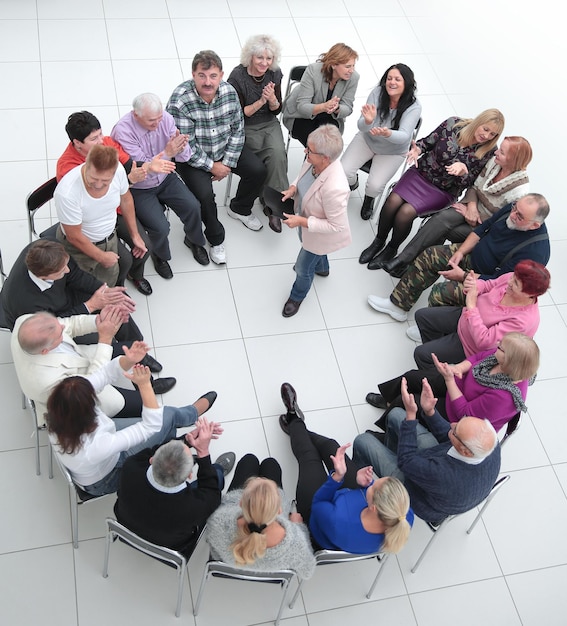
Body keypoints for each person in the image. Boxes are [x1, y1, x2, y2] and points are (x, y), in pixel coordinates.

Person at [46, 349, 217, 496]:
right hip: (107, 474)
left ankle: (175, 447)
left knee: (165, 421)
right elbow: (150, 426)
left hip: (101, 448)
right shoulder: (95, 446)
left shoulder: (62, 408)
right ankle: (190, 417)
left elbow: (104, 374)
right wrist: (144, 385)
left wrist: (129, 359)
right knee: (167, 416)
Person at [367, 193, 550, 322]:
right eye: (514, 208)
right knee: (431, 256)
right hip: (473, 256)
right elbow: (481, 230)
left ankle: (431, 326)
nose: (512, 215)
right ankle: (399, 304)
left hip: (487, 283)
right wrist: (461, 252)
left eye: (519, 216)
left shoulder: (534, 253)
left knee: (442, 292)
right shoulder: (512, 210)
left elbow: (500, 283)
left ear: (534, 225)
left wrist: (463, 276)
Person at [360, 109, 505, 269]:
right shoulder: (453, 123)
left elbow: (470, 184)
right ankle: (379, 240)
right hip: (420, 173)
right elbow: (427, 142)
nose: (486, 136)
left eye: (493, 134)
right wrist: (417, 150)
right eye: (485, 129)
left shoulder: (489, 151)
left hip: (443, 190)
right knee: (392, 201)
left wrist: (463, 171)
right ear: (479, 121)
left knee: (406, 212)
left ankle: (391, 248)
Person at [279, 383, 413, 554]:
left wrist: (336, 478)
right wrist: (365, 484)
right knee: (332, 446)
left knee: (309, 456)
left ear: (372, 507)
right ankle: (298, 429)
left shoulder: (337, 521)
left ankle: (294, 420)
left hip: (317, 516)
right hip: (347, 499)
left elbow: (319, 502)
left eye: (373, 486)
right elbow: (371, 493)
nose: (372, 482)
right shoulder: (403, 514)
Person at [166, 50, 267, 264]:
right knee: (204, 196)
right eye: (202, 75)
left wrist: (227, 164)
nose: (208, 82)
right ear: (193, 74)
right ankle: (216, 237)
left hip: (224, 148)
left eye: (213, 76)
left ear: (221, 75)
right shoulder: (180, 100)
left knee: (258, 171)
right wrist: (213, 167)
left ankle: (240, 208)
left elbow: (238, 130)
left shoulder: (229, 92)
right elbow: (186, 147)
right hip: (194, 158)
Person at [353, 378, 501, 523]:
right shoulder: (489, 441)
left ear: (465, 451)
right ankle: (391, 449)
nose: (453, 424)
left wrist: (411, 416)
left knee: (362, 441)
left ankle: (355, 486)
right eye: (461, 421)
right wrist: (430, 411)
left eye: (456, 430)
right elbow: (450, 439)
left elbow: (406, 462)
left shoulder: (443, 475)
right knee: (395, 414)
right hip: (444, 473)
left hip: (420, 494)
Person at [383, 136, 533, 277]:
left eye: (502, 152)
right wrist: (472, 207)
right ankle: (404, 260)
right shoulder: (495, 162)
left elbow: (502, 223)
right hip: (470, 207)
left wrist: (477, 218)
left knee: (444, 230)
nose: (495, 152)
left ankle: (409, 263)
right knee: (441, 218)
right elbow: (474, 187)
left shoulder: (519, 192)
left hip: (485, 226)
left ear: (513, 160)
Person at [57, 110, 162, 295]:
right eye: (93, 139)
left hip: (113, 213)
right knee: (120, 261)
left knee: (144, 246)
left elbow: (126, 192)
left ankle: (129, 278)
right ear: (77, 144)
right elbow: (74, 233)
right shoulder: (68, 176)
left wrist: (134, 234)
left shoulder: (109, 155)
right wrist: (102, 256)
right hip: (89, 225)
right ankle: (112, 290)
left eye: (100, 135)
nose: (101, 141)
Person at [11, 310, 175, 426]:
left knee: (130, 348)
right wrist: (105, 339)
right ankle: (145, 390)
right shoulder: (46, 381)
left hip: (80, 359)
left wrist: (98, 321)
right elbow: (87, 387)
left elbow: (69, 324)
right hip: (84, 397)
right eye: (60, 334)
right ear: (45, 351)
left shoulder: (24, 322)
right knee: (145, 403)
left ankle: (145, 383)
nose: (62, 328)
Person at [370, 332, 540, 440]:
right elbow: (477, 358)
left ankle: (387, 435)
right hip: (458, 383)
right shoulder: (501, 357)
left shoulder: (505, 397)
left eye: (501, 348)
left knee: (405, 402)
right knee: (412, 377)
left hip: (457, 417)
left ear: (511, 362)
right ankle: (386, 399)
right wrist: (457, 368)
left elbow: (464, 415)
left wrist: (449, 380)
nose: (497, 346)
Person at [111, 93, 209, 276]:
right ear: (135, 115)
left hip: (166, 177)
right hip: (140, 187)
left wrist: (181, 147)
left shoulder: (166, 119)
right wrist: (168, 151)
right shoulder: (122, 131)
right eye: (151, 121)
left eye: (159, 119)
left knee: (193, 206)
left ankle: (194, 240)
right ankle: (160, 255)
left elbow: (184, 157)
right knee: (160, 227)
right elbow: (142, 167)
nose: (157, 124)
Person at [114, 419, 235, 557]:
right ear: (190, 475)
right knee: (216, 477)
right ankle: (217, 468)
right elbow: (212, 494)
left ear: (152, 460)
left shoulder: (131, 468)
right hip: (171, 545)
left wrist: (185, 441)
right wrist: (203, 453)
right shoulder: (192, 507)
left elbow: (153, 450)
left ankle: (194, 463)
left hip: (127, 524)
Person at [0, 239, 148, 345]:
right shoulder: (26, 305)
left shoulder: (47, 249)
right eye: (61, 270)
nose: (67, 270)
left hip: (64, 297)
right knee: (97, 339)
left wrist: (105, 291)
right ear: (44, 276)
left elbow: (76, 275)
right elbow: (54, 325)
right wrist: (91, 305)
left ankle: (137, 349)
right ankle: (121, 358)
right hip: (48, 325)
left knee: (114, 306)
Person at [412, 259, 550, 370]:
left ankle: (437, 379)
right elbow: (490, 284)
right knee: (422, 316)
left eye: (515, 284)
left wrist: (471, 306)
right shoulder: (512, 278)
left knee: (422, 354)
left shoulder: (523, 320)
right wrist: (475, 285)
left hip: (470, 346)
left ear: (530, 294)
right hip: (465, 318)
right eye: (513, 277)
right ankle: (439, 358)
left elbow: (484, 342)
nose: (509, 282)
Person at [205, 453, 316, 580]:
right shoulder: (295, 542)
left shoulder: (218, 521)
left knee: (249, 460)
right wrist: (298, 526)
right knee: (271, 463)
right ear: (279, 510)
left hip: (226, 567)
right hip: (270, 576)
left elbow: (214, 550)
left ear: (241, 503)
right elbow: (307, 571)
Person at [280, 125, 351, 317]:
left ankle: (297, 296)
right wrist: (293, 188)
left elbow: (336, 225)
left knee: (303, 268)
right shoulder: (314, 160)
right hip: (305, 222)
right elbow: (301, 176)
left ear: (325, 158)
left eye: (309, 150)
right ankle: (322, 267)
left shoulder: (336, 188)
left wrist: (302, 222)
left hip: (319, 234)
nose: (305, 152)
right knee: (312, 254)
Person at [54, 144, 147, 287]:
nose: (98, 185)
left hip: (109, 237)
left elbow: (126, 199)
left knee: (113, 274)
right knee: (82, 286)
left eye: (105, 181)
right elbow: (74, 236)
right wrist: (102, 257)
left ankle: (110, 298)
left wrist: (135, 235)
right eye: (93, 178)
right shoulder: (67, 193)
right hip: (78, 247)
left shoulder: (119, 171)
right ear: (86, 165)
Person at [341, 63, 422, 220]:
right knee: (343, 171)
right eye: (389, 78)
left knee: (374, 186)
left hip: (392, 151)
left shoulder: (414, 106)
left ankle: (368, 200)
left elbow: (405, 136)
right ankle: (353, 183)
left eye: (397, 79)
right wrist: (368, 121)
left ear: (407, 82)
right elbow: (361, 126)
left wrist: (387, 133)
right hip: (367, 140)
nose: (392, 82)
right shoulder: (377, 93)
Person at [228, 35, 289, 234]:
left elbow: (277, 110)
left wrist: (271, 99)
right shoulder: (237, 77)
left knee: (278, 153)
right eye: (260, 58)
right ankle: (271, 200)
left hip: (269, 123)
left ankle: (274, 208)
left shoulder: (275, 73)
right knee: (265, 158)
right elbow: (238, 114)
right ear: (250, 57)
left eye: (269, 58)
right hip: (245, 125)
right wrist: (261, 102)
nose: (264, 63)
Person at [282, 43, 359, 147]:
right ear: (333, 65)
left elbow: (348, 107)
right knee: (317, 147)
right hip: (301, 116)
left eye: (353, 65)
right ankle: (312, 162)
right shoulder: (313, 70)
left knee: (330, 147)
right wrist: (324, 107)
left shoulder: (353, 77)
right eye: (347, 66)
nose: (351, 70)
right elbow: (302, 107)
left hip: (329, 116)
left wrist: (337, 108)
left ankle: (314, 162)